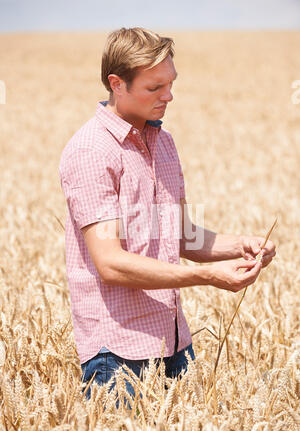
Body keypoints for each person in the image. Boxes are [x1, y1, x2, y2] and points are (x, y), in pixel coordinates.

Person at [59, 27, 276, 401]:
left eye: (171, 83)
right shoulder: (90, 151)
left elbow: (179, 236)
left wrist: (240, 246)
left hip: (174, 342)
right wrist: (205, 276)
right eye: (154, 87)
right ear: (117, 84)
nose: (169, 95)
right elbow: (110, 263)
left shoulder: (164, 142)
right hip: (117, 353)